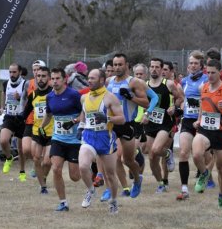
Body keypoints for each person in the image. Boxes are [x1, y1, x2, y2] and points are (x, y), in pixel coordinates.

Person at [192, 59, 222, 208]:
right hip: (204, 129)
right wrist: (199, 119)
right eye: (208, 72)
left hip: (221, 132)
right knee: (196, 154)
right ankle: (205, 174)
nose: (210, 75)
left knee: (221, 168)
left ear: (220, 72)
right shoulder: (204, 87)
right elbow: (202, 105)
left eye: (214, 72)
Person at [78, 68, 125, 214]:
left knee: (110, 174)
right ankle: (91, 190)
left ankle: (114, 201)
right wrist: (81, 126)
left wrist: (107, 118)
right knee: (83, 166)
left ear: (102, 80)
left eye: (93, 78)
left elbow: (122, 119)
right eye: (88, 78)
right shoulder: (84, 97)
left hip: (106, 138)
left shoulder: (110, 98)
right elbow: (83, 114)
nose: (89, 80)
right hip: (89, 136)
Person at [40, 68, 85, 211]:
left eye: (57, 78)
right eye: (52, 79)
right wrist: (41, 127)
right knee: (56, 169)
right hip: (58, 139)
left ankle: (91, 169)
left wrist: (73, 121)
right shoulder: (50, 97)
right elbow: (49, 114)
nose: (54, 81)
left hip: (74, 140)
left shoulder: (73, 95)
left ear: (64, 79)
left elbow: (84, 113)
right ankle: (63, 203)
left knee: (75, 177)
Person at [106, 53, 150, 198]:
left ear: (126, 65)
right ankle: (114, 187)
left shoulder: (133, 82)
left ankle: (137, 179)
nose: (117, 67)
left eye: (120, 64)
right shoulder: (109, 81)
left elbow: (146, 103)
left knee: (128, 160)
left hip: (127, 124)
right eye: (115, 65)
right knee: (112, 156)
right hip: (112, 123)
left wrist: (131, 97)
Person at [142, 57, 183, 193]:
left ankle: (167, 153)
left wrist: (173, 107)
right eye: (152, 66)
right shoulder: (144, 84)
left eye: (157, 67)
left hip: (165, 123)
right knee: (151, 156)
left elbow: (180, 98)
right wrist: (144, 114)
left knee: (155, 149)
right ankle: (161, 183)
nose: (154, 69)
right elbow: (142, 103)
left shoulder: (169, 84)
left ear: (161, 69)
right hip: (150, 123)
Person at [175, 51, 208, 200]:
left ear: (201, 65)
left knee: (200, 155)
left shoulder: (207, 80)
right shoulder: (184, 81)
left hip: (203, 121)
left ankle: (204, 174)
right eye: (191, 63)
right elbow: (181, 99)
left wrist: (201, 106)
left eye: (195, 63)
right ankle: (184, 188)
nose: (193, 66)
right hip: (188, 120)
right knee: (183, 152)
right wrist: (179, 106)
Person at [22, 66, 53, 194]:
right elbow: (25, 113)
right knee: (36, 159)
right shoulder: (33, 94)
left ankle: (43, 178)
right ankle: (43, 187)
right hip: (36, 132)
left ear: (49, 78)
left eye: (43, 76)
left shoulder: (53, 94)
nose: (40, 78)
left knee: (47, 161)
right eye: (38, 76)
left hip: (51, 132)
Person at [0, 63, 29, 181]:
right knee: (3, 140)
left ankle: (22, 172)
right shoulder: (6, 83)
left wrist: (20, 98)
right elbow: (4, 95)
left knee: (21, 149)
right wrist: (1, 107)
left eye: (14, 72)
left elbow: (29, 102)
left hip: (21, 118)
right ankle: (9, 157)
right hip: (9, 117)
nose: (12, 75)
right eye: (10, 72)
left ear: (20, 72)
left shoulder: (25, 84)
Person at [23, 59, 46, 178]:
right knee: (26, 149)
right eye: (34, 70)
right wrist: (23, 114)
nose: (36, 72)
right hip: (30, 119)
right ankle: (37, 163)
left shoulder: (49, 85)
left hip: (44, 122)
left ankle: (39, 165)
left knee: (41, 148)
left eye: (38, 69)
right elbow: (24, 100)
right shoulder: (28, 83)